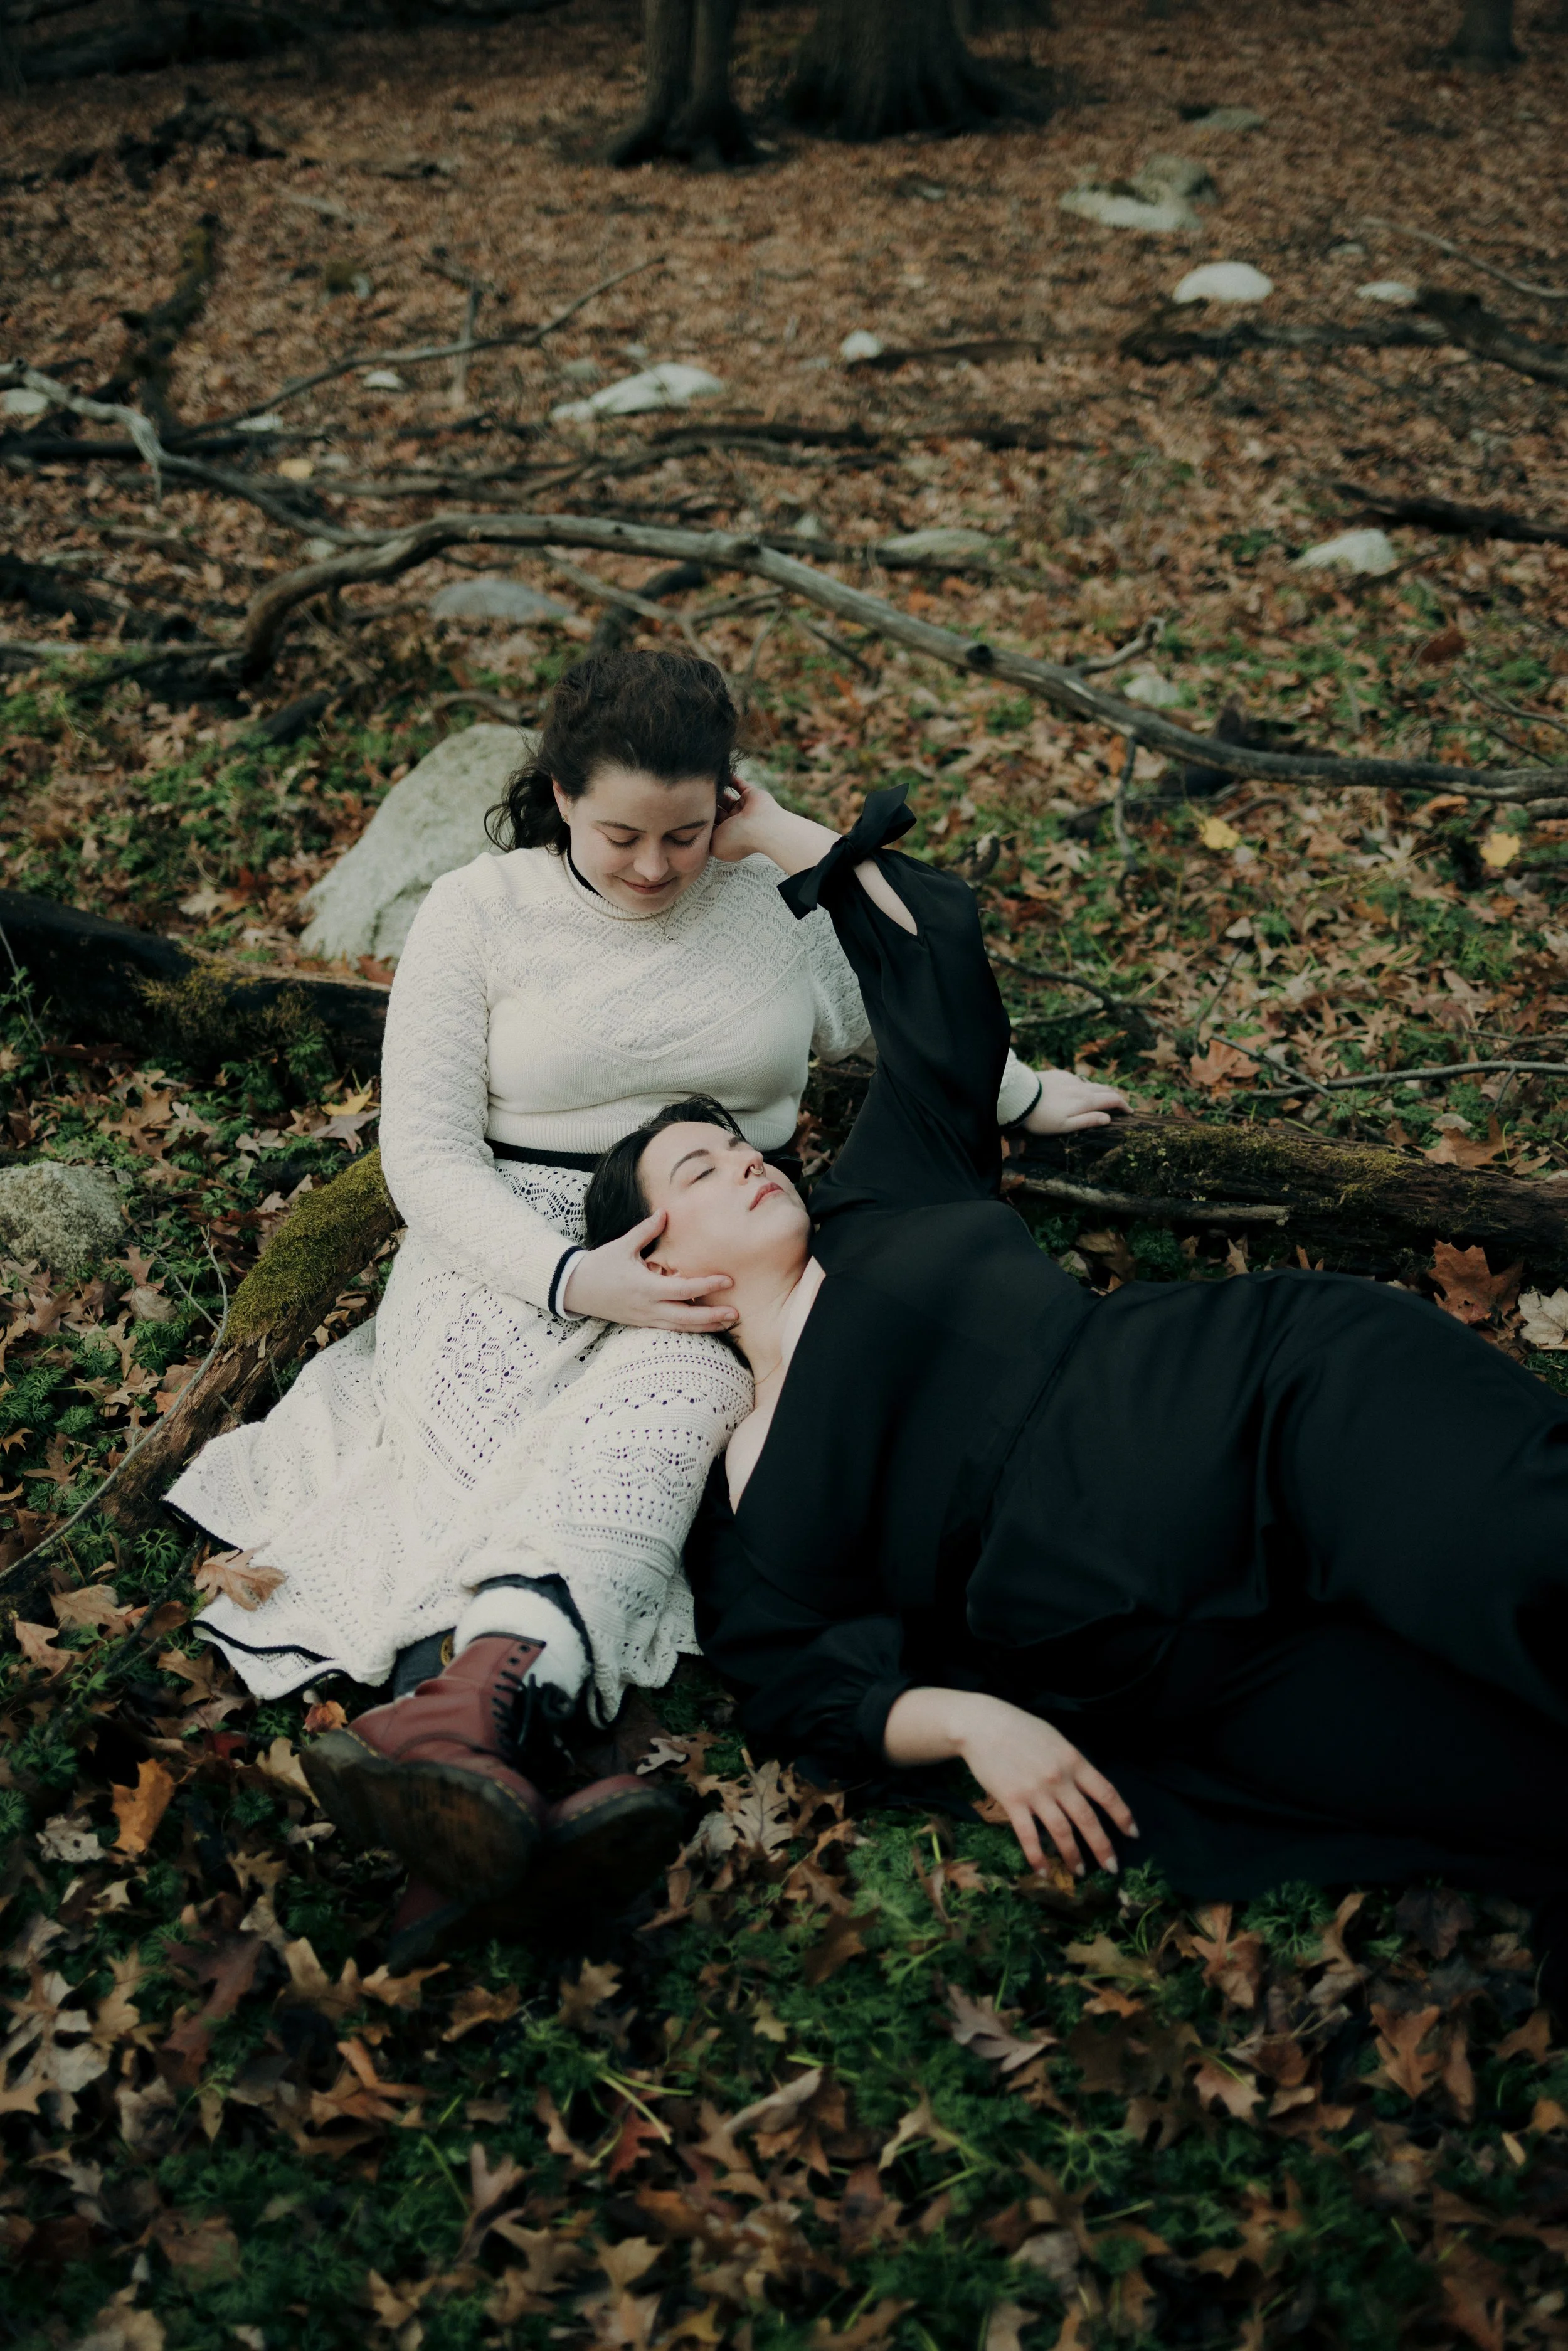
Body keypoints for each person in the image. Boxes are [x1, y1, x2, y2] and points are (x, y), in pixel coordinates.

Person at [171, 653, 1122, 1950]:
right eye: (618, 832)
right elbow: (427, 1156)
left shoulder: (760, 899)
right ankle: (519, 1765)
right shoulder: (479, 909)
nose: (652, 867)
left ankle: (461, 1773)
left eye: (685, 832)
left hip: (712, 1228)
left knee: (670, 1409)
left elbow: (888, 1006)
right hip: (509, 1238)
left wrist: (1009, 1088)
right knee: (489, 1440)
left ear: (727, 800)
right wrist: (568, 1274)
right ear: (558, 793)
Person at [576, 782, 1568, 1943]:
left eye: (736, 1147)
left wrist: (773, 834)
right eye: (697, 1174)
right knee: (1520, 1786)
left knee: (1532, 1569)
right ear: (650, 1253)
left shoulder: (883, 1198)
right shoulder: (745, 1480)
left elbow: (934, 974)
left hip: (1260, 1403)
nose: (745, 1165)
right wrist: (965, 1725)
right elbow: (800, 1688)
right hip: (1163, 1654)